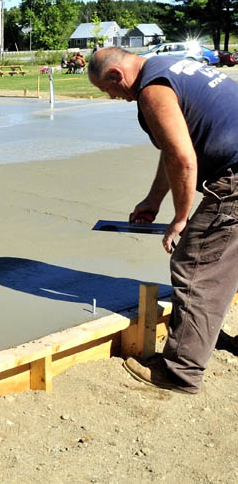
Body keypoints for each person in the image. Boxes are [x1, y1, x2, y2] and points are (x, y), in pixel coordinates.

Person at [88, 47, 238, 394]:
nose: (113, 97)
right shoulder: (168, 65)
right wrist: (154, 201)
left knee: (195, 265)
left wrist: (181, 219)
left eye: (108, 90)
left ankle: (180, 372)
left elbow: (183, 159)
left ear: (116, 75)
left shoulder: (151, 90)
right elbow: (172, 148)